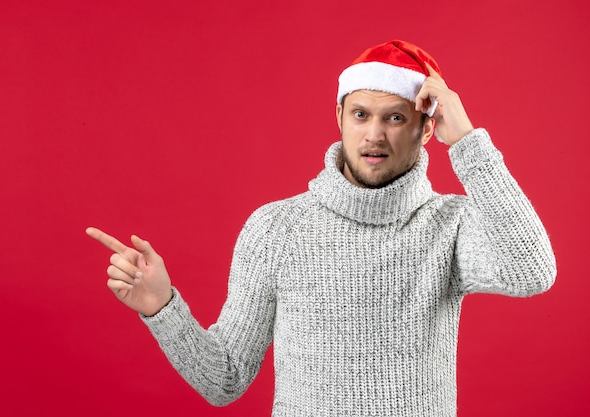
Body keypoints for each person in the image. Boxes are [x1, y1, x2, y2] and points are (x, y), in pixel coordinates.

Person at [86, 40, 556, 416]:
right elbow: (224, 379)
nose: (375, 134)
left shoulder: (450, 225)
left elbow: (532, 270)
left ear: (426, 129)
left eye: (395, 117)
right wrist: (161, 307)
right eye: (361, 115)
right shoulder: (276, 229)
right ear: (339, 118)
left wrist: (470, 143)